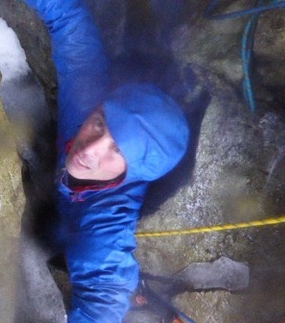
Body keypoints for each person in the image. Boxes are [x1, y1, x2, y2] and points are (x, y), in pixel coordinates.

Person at [23, 0, 189, 321]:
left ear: (132, 173)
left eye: (117, 151)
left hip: (71, 228)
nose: (91, 148)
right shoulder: (88, 99)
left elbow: (105, 297)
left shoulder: (106, 232)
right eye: (100, 123)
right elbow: (71, 21)